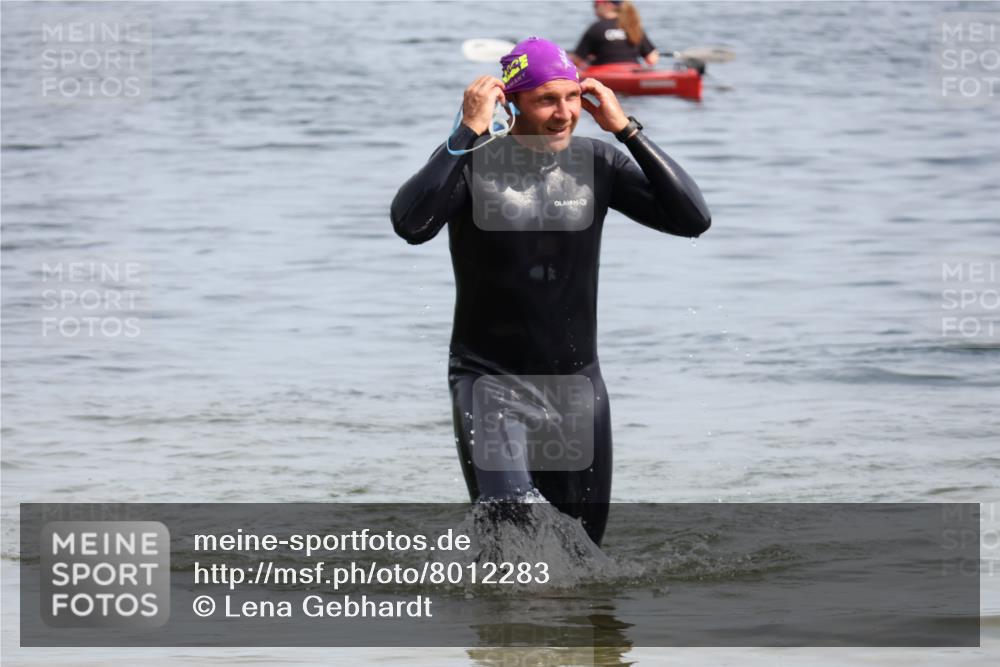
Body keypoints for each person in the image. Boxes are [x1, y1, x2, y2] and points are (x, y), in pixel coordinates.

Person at [390, 37, 710, 546]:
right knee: (513, 527)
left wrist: (627, 130)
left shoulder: (600, 164)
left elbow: (692, 219)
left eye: (571, 98)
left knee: (582, 556)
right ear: (510, 103)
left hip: (577, 391)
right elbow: (412, 223)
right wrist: (465, 132)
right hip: (489, 384)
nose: (564, 114)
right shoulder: (473, 162)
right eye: (546, 100)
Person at [571, 0, 660, 68]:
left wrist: (587, 65)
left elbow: (576, 60)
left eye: (596, 4)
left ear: (608, 5)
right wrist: (643, 71)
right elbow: (652, 58)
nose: (594, 8)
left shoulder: (596, 28)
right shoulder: (632, 27)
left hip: (605, 73)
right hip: (632, 71)